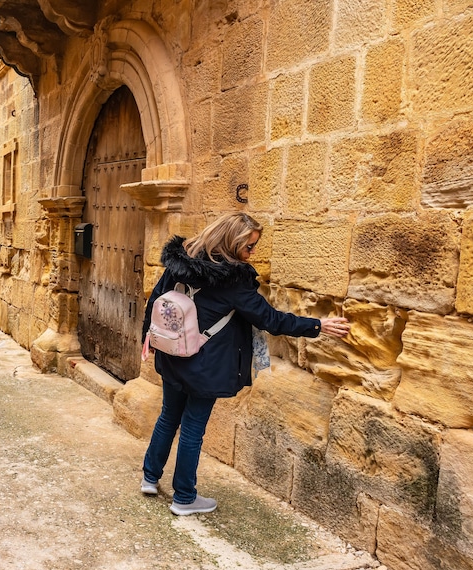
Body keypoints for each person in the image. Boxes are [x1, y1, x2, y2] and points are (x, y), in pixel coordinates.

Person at [139, 212, 350, 516]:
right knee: (192, 428)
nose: (252, 253)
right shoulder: (233, 280)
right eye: (249, 247)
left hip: (172, 354)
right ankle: (184, 497)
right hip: (205, 364)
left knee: (169, 416)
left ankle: (150, 477)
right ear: (232, 241)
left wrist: (148, 339)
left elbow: (156, 299)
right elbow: (270, 320)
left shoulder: (180, 261)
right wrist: (317, 325)